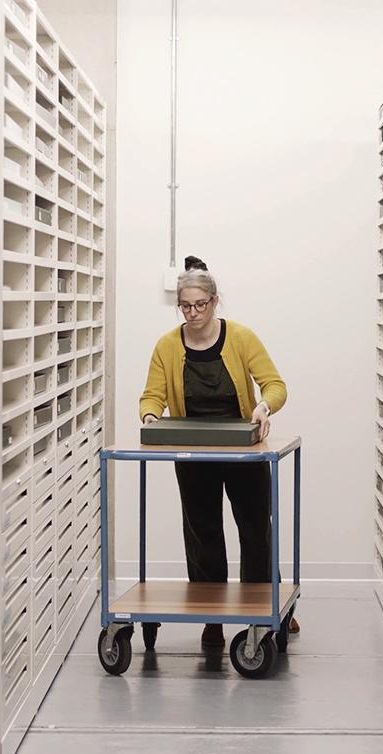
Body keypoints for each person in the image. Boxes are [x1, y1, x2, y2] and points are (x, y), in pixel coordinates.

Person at [138, 256, 299, 650]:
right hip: (194, 455)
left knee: (256, 530)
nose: (193, 314)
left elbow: (275, 385)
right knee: (203, 533)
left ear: (214, 302)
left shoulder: (241, 338)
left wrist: (263, 407)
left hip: (243, 452)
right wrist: (150, 416)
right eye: (185, 306)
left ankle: (267, 609)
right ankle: (212, 617)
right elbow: (152, 395)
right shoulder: (166, 345)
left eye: (200, 305)